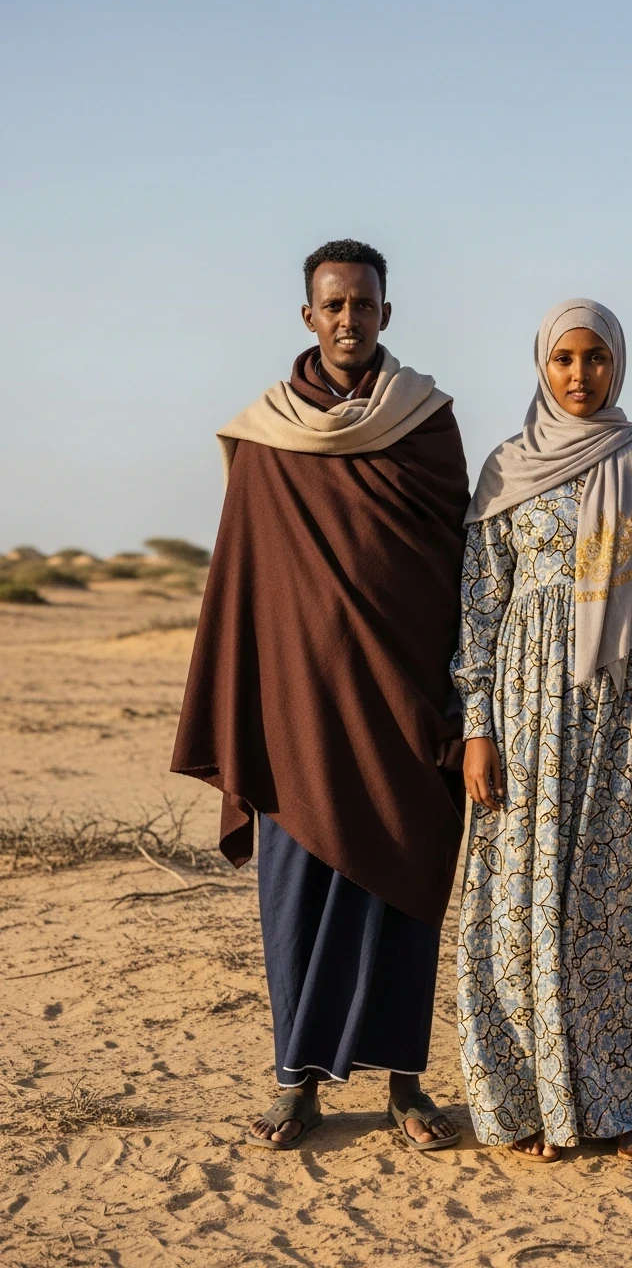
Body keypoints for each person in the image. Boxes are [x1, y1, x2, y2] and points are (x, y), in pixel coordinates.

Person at [171, 239, 469, 1151]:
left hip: (404, 704)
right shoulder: (266, 438)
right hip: (297, 710)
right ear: (308, 316)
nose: (349, 319)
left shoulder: (426, 423)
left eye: (365, 304)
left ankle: (407, 1087)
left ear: (388, 313)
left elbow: (462, 566)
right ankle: (295, 1082)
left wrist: (460, 702)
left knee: (408, 892)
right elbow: (245, 583)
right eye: (333, 305)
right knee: (295, 900)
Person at [451, 299, 632, 1163]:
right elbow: (480, 609)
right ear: (541, 364)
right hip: (527, 717)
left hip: (631, 716)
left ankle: (620, 1104)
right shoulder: (505, 470)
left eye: (594, 358)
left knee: (617, 911)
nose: (578, 375)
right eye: (563, 359)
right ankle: (533, 1102)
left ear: (618, 364)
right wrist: (479, 727)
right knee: (520, 906)